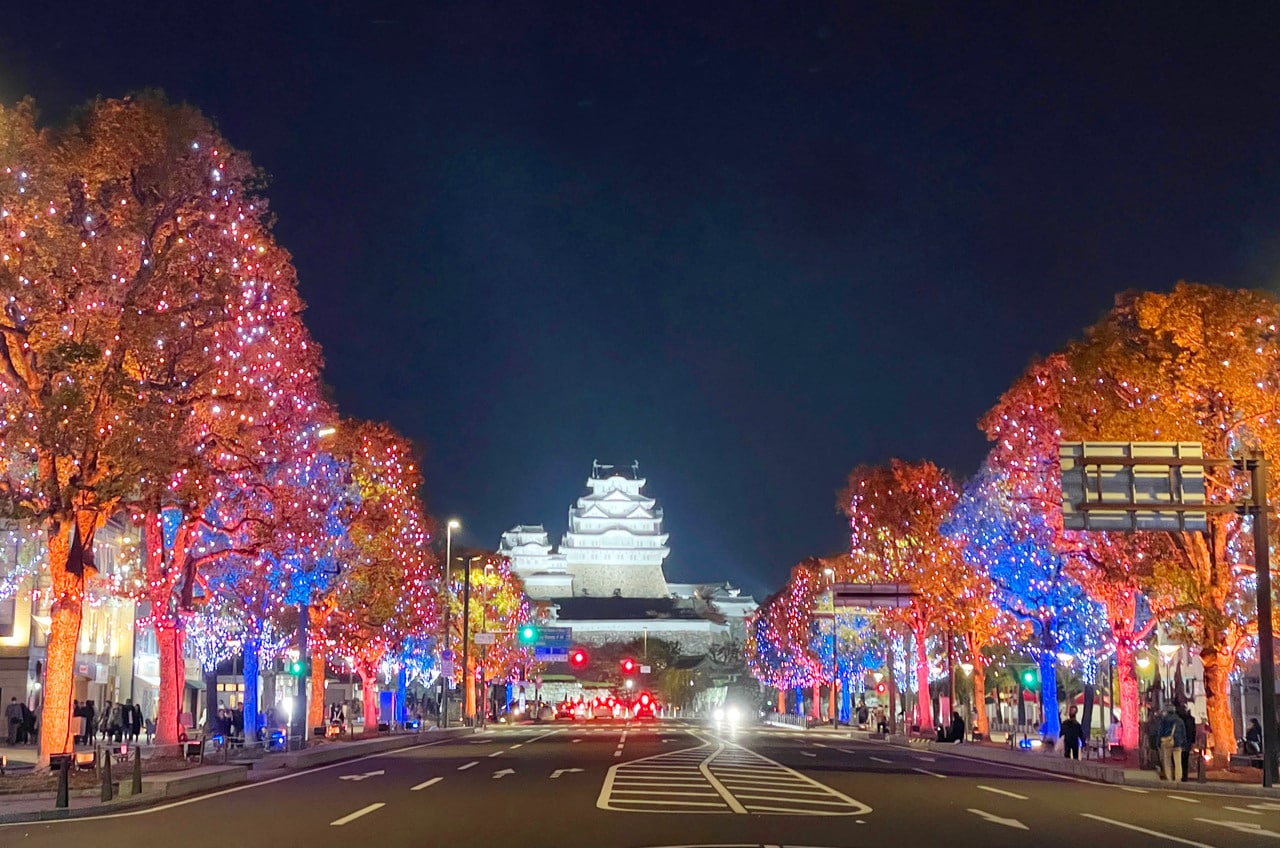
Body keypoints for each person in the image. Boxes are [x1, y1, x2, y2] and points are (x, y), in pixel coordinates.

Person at [1158, 703, 1187, 781]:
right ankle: (1178, 778)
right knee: (1178, 762)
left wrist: (1158, 743)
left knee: (1167, 761)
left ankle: (1169, 778)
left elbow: (1160, 732)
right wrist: (1184, 744)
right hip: (1178, 743)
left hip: (1167, 742)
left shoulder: (1164, 720)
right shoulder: (1180, 721)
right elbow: (1183, 733)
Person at [1177, 703, 1196, 781]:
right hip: (1187, 742)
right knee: (1185, 760)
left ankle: (1179, 775)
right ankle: (1184, 776)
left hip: (1180, 741)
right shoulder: (1191, 719)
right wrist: (1192, 741)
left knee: (1178, 760)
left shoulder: (1179, 719)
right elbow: (1193, 732)